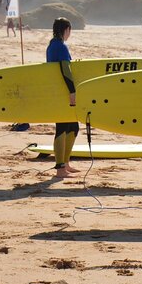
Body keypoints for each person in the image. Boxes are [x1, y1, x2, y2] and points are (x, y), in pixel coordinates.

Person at [46, 17, 80, 178]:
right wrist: (72, 91)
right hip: (63, 93)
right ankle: (60, 168)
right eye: (69, 30)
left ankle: (65, 164)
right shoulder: (61, 47)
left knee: (73, 127)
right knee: (62, 127)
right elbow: (65, 70)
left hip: (57, 92)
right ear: (66, 29)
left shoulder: (52, 45)